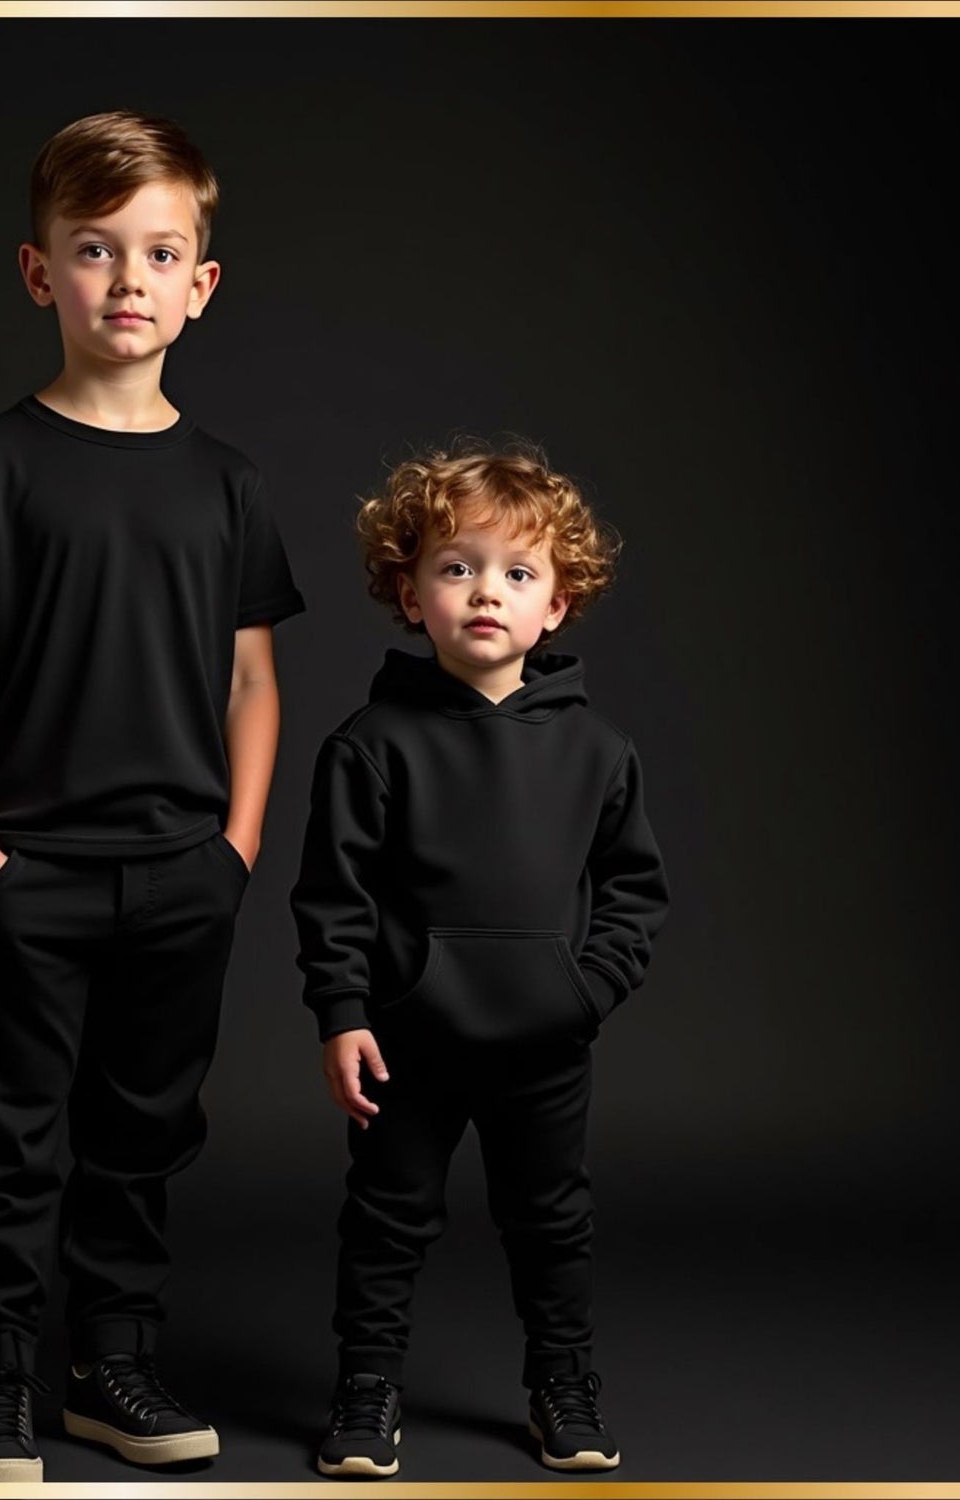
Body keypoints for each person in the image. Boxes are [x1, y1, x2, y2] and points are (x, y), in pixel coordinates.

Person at [0, 109, 305, 1484]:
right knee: (3, 1139)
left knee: (141, 1131)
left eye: (158, 251)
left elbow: (254, 682)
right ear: (37, 272)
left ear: (203, 283)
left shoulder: (231, 483)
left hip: (183, 870)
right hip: (31, 869)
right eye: (92, 250)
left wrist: (236, 847)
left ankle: (107, 1363)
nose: (126, 279)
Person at [289, 439, 669, 1478]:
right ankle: (368, 1389)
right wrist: (344, 1013)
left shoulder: (599, 751)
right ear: (411, 598)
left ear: (558, 605)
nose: (485, 593)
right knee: (385, 1224)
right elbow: (334, 898)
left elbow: (635, 894)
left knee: (552, 1225)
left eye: (517, 572)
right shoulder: (369, 743)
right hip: (407, 1041)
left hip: (545, 1040)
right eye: (455, 568)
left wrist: (582, 992)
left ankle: (562, 1384)